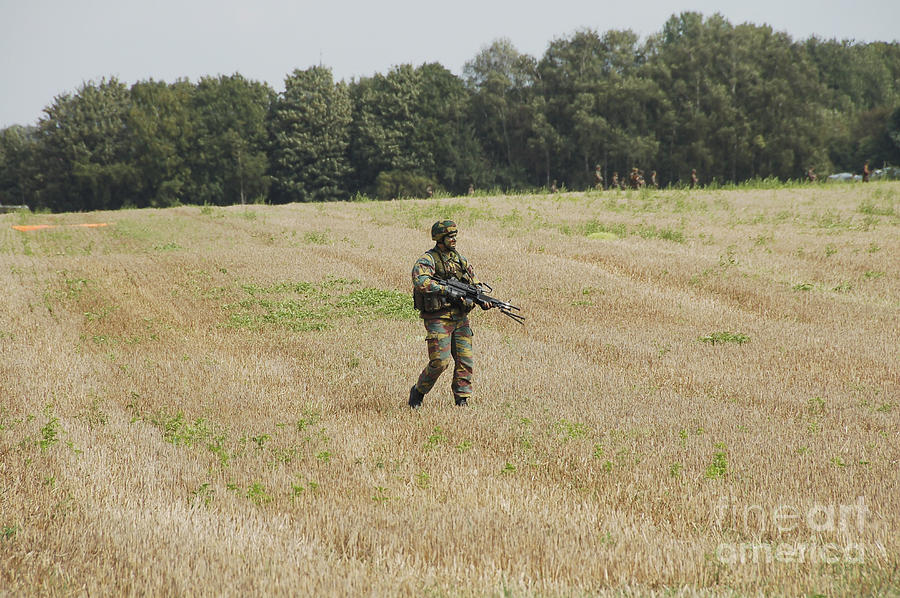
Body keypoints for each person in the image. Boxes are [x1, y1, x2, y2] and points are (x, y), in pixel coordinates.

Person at [409, 221, 493, 408]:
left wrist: (480, 299)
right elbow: (420, 281)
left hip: (460, 318)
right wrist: (446, 290)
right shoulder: (428, 260)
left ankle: (462, 399)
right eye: (449, 236)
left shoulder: (460, 260)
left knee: (465, 360)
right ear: (440, 239)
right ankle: (418, 391)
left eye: (455, 236)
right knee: (440, 361)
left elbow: (475, 283)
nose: (454, 239)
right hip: (438, 317)